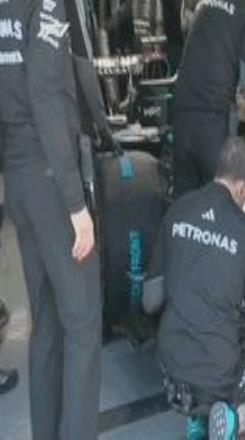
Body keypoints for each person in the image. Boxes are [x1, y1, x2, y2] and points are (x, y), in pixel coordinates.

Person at [0, 1, 102, 439]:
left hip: (17, 174)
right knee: (82, 322)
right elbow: (44, 92)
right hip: (49, 179)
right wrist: (76, 204)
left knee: (45, 322)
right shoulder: (45, 3)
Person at [144, 137, 245, 439]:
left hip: (170, 362)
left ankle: (196, 414)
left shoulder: (179, 208)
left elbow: (150, 301)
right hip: (217, 373)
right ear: (242, 187)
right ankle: (231, 420)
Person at [173, 0, 245, 196]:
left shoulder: (204, 3)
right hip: (213, 121)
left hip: (182, 113)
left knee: (185, 203)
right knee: (219, 201)